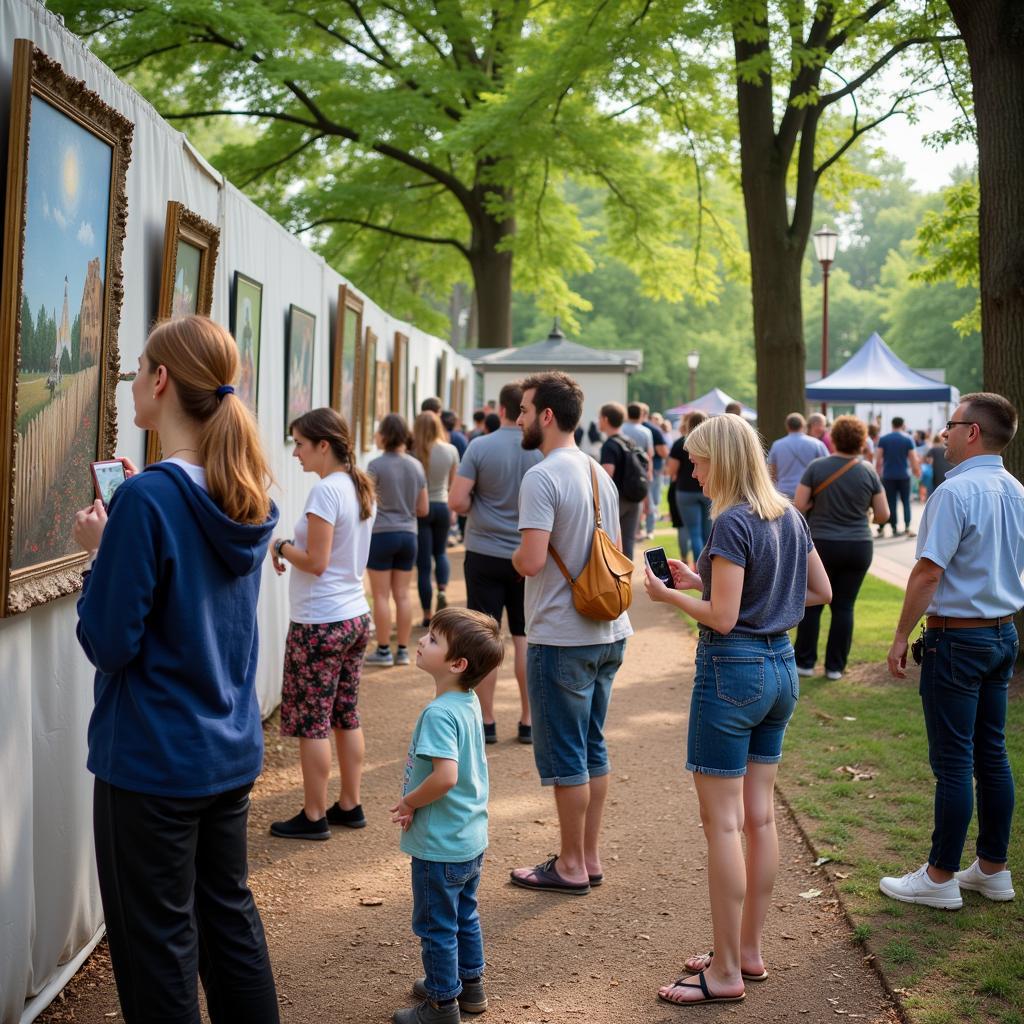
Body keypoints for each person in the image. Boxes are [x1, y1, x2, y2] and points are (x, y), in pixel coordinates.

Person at [73, 315, 280, 1022]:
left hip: (152, 761)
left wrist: (103, 551)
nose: (133, 380)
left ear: (162, 381)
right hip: (225, 749)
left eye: (138, 369)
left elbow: (109, 642)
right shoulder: (243, 490)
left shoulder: (149, 499)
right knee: (229, 924)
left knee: (156, 945)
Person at [642, 413, 830, 1006]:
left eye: (698, 459)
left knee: (722, 825)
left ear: (721, 459)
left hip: (732, 673)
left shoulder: (730, 522)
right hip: (779, 671)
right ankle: (747, 950)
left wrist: (671, 594)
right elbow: (818, 590)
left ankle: (724, 972)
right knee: (761, 819)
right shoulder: (786, 515)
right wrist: (705, 578)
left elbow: (723, 618)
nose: (691, 469)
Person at [880, 393, 1023, 910]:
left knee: (955, 762)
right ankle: (992, 869)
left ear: (973, 433)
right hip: (1001, 634)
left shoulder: (955, 491)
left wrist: (900, 636)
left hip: (958, 638)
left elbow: (928, 571)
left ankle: (940, 877)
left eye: (951, 425)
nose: (943, 433)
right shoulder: (1016, 490)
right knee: (992, 753)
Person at [509, 371, 633, 896]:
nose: (516, 418)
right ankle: (588, 855)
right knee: (592, 747)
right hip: (608, 627)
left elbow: (532, 561)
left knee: (565, 757)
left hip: (562, 634)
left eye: (523, 409)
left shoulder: (541, 476)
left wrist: (511, 555)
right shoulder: (594, 470)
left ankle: (569, 865)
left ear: (546, 416)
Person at [390, 608, 505, 1024]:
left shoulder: (439, 714)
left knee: (435, 926)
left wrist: (410, 803)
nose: (422, 640)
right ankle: (468, 986)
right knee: (463, 915)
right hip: (468, 838)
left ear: (458, 664)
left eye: (434, 640)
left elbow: (445, 778)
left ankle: (441, 1004)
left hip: (439, 844)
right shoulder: (467, 700)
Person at [269, 408, 377, 839]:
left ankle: (314, 815)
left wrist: (280, 545)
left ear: (323, 445)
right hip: (353, 614)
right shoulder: (357, 485)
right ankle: (349, 803)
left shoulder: (326, 493)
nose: (295, 452)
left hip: (320, 623)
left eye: (299, 443)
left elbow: (316, 561)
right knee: (345, 714)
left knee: (312, 720)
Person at [448, 381, 542, 745]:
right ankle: (527, 720)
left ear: (500, 409)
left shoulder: (480, 446)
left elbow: (457, 500)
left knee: (485, 638)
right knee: (523, 638)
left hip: (484, 551)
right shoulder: (538, 452)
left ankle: (486, 721)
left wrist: (482, 512)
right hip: (526, 554)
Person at [793, 416, 890, 679]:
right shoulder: (868, 470)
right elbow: (883, 515)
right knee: (844, 606)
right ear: (861, 441)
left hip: (821, 544)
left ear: (833, 438)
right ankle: (835, 667)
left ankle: (805, 662)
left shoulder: (817, 467)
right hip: (858, 544)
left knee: (812, 604)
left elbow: (798, 506)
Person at [366, 414, 429, 666]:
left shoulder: (375, 465)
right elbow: (423, 508)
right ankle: (402, 650)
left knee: (380, 595)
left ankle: (383, 650)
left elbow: (365, 503)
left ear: (384, 434)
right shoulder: (416, 466)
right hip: (409, 534)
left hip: (382, 533)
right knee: (402, 594)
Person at [413, 411, 460, 625]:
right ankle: (442, 589)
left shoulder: (414, 453)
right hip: (442, 505)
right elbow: (453, 484)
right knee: (440, 553)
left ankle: (426, 614)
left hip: (420, 509)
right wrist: (453, 510)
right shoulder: (450, 450)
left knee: (423, 564)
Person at [598, 402, 646, 561]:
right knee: (628, 542)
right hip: (635, 497)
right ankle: (627, 582)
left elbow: (606, 475)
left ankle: (613, 581)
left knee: (610, 541)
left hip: (618, 500)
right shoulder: (629, 441)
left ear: (605, 420)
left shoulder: (609, 445)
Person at [667, 410, 711, 565]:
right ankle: (707, 566)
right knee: (708, 532)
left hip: (685, 490)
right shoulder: (710, 443)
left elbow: (671, 470)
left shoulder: (681, 443)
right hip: (708, 490)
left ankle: (699, 566)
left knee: (694, 532)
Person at [875, 416, 921, 537]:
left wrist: (877, 472)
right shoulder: (908, 439)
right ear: (903, 424)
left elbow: (878, 459)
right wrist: (916, 471)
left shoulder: (884, 439)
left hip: (888, 475)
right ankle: (907, 527)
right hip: (904, 475)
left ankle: (894, 527)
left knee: (891, 502)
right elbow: (913, 458)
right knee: (906, 501)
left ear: (892, 425)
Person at [767, 412, 828, 498]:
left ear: (787, 426)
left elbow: (772, 471)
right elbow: (826, 467)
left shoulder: (777, 445)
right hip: (809, 492)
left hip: (784, 492)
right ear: (803, 425)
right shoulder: (817, 444)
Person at [623, 403, 656, 540]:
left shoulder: (622, 429)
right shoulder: (645, 431)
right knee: (641, 501)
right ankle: (639, 529)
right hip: (641, 471)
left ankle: (630, 530)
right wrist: (649, 473)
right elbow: (650, 454)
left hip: (624, 470)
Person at [641, 403, 670, 539]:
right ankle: (649, 529)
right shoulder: (653, 430)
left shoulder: (625, 428)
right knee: (652, 499)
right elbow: (663, 452)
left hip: (634, 471)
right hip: (654, 468)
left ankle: (639, 528)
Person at [924, 432, 952, 496]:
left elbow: (929, 462)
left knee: (935, 491)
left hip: (936, 472)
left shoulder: (932, 450)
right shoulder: (946, 449)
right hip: (947, 472)